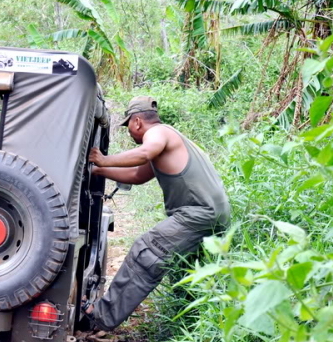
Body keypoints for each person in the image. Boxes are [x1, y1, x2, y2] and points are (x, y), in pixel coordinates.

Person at [84, 96, 230, 330]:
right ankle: (190, 325)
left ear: (138, 121)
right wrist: (100, 170)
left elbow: (144, 153)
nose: (130, 132)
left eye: (128, 125)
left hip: (197, 213)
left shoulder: (157, 134)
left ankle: (99, 317)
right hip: (213, 213)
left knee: (146, 252)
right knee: (184, 268)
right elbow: (137, 176)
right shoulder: (167, 141)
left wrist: (104, 158)